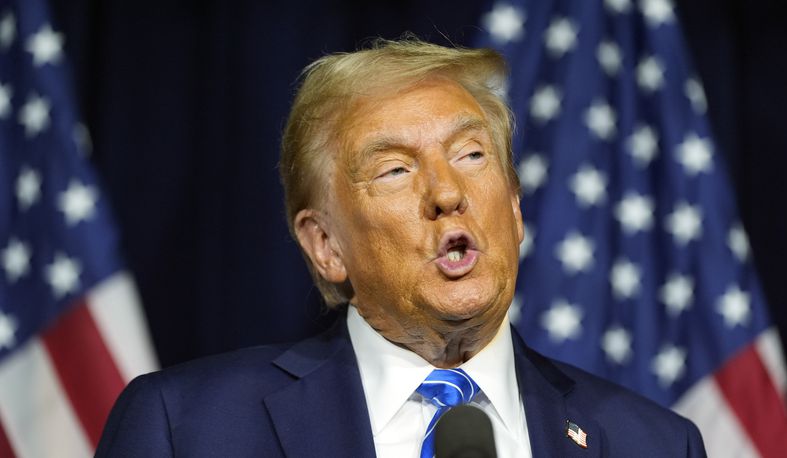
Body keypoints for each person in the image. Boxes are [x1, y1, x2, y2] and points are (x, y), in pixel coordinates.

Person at [96, 38, 706, 457]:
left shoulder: (653, 443)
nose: (447, 193)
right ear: (326, 244)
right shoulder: (189, 429)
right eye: (393, 170)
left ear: (515, 207)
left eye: (472, 155)